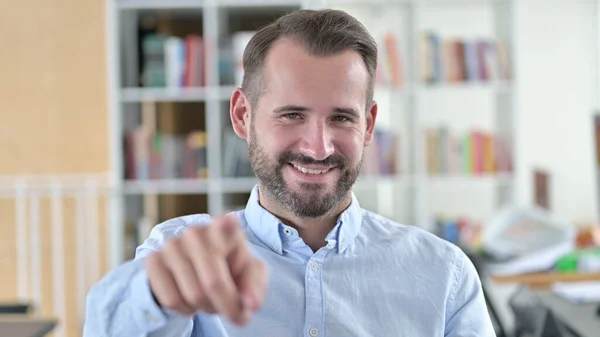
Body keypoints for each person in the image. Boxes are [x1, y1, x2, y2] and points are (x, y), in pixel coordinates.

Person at [83, 8, 495, 337]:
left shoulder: (444, 275)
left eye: (341, 118)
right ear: (243, 115)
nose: (318, 147)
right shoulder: (181, 253)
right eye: (292, 115)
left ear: (368, 125)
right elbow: (111, 322)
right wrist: (157, 294)